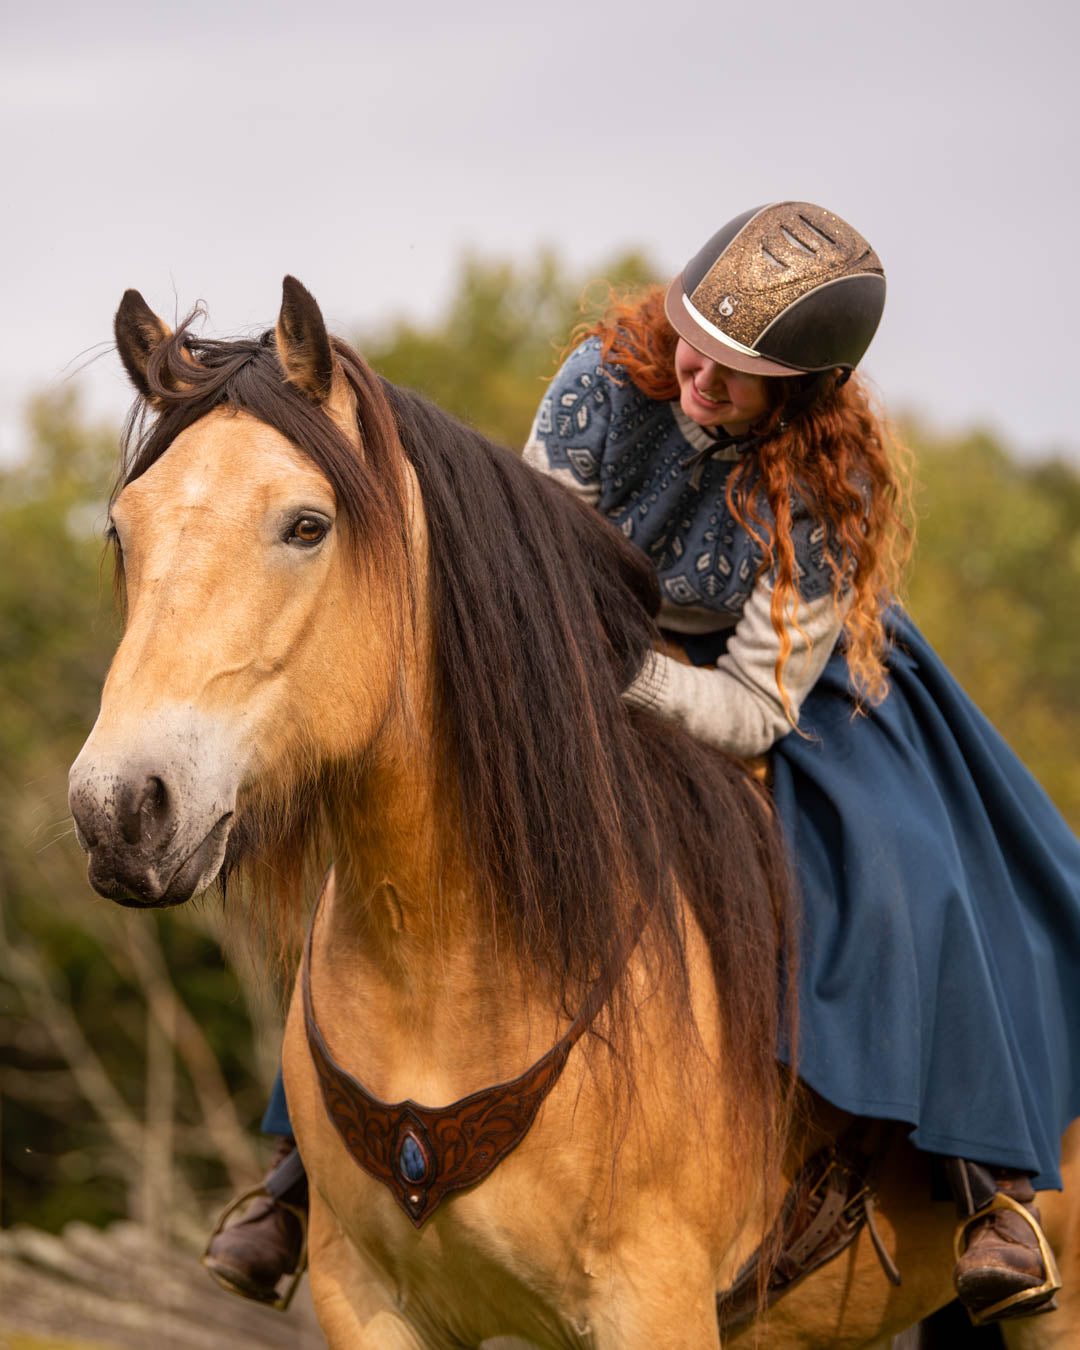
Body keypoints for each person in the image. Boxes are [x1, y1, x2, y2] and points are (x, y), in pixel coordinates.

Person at [207, 202, 1080, 1328]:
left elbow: (756, 709)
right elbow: (529, 572)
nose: (700, 378)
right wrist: (563, 678)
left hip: (767, 694)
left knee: (914, 868)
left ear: (803, 393)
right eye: (693, 343)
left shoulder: (829, 491)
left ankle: (986, 1183)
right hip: (564, 666)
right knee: (405, 838)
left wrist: (620, 682)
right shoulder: (599, 382)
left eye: (738, 373)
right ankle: (303, 1163)